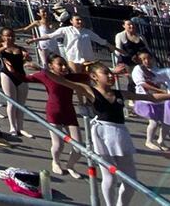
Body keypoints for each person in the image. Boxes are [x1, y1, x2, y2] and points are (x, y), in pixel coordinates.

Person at [50, 63, 170, 206]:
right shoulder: (90, 91)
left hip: (120, 135)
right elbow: (63, 81)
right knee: (110, 177)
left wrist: (168, 95)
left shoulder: (120, 94)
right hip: (103, 134)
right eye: (105, 73)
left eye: (110, 73)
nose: (110, 76)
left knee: (131, 179)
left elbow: (151, 98)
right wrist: (44, 70)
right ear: (94, 77)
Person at [25, 55, 91, 177]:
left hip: (69, 113)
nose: (64, 67)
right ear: (50, 66)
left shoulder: (71, 77)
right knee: (58, 145)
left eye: (65, 64)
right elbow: (24, 78)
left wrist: (110, 71)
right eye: (60, 64)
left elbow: (90, 76)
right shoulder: (44, 75)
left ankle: (70, 165)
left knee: (78, 147)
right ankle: (55, 162)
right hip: (54, 112)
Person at [28, 15, 113, 73]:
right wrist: (35, 39)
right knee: (77, 80)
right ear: (71, 21)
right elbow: (50, 36)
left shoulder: (87, 32)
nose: (79, 21)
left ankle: (88, 98)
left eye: (80, 20)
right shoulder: (66, 30)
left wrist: (113, 48)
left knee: (87, 81)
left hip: (87, 59)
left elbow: (101, 41)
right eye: (77, 20)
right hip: (73, 59)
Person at [0, 27, 37, 138]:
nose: (10, 38)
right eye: (7, 36)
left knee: (21, 104)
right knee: (11, 101)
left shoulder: (19, 48)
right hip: (7, 75)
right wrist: (4, 46)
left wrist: (27, 56)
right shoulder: (0, 46)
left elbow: (29, 59)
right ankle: (12, 127)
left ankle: (20, 128)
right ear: (2, 37)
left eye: (12, 36)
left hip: (21, 75)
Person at [130, 51, 170, 150]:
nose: (147, 61)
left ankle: (161, 140)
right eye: (143, 59)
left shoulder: (157, 70)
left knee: (166, 122)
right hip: (146, 100)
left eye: (148, 58)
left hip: (160, 101)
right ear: (140, 60)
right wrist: (160, 90)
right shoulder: (138, 69)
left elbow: (165, 81)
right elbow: (142, 84)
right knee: (154, 122)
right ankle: (149, 141)